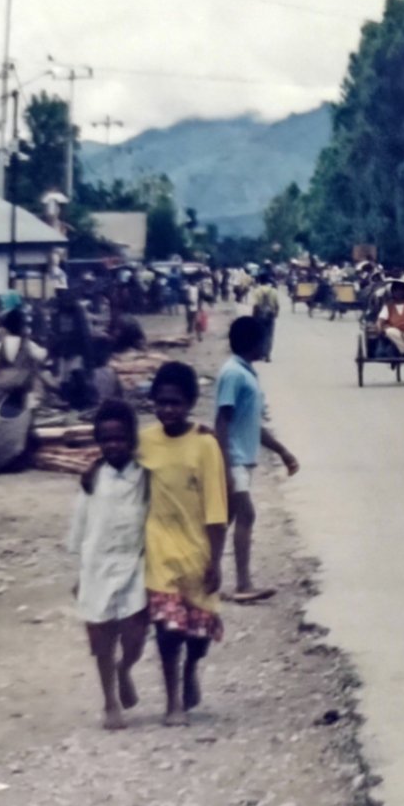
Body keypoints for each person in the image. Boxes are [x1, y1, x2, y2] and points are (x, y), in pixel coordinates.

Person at [138, 362, 228, 727]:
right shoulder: (145, 441)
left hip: (197, 550)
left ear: (190, 403)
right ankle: (172, 702)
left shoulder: (205, 445)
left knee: (198, 634)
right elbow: (117, 463)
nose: (168, 409)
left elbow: (217, 508)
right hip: (159, 549)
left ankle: (192, 668)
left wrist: (217, 561)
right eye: (161, 402)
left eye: (175, 402)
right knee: (168, 630)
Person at [67, 400, 150, 730]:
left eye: (120, 438)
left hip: (135, 563)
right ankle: (110, 702)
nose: (113, 445)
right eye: (106, 439)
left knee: (135, 634)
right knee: (102, 638)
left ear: (131, 438)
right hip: (97, 566)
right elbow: (81, 527)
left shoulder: (144, 475)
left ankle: (125, 667)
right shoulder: (92, 480)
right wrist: (79, 576)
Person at [214, 318, 300, 605]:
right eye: (263, 339)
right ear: (253, 342)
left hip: (242, 460)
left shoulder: (245, 373)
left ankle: (208, 578)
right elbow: (222, 421)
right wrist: (224, 465)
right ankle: (243, 583)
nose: (267, 344)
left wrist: (282, 452)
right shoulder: (233, 374)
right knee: (246, 515)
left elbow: (252, 424)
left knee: (223, 521)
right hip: (234, 459)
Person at [250, 273, 280, 362]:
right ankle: (267, 355)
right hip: (270, 315)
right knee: (269, 335)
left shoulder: (256, 291)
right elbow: (277, 305)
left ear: (259, 281)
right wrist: (276, 314)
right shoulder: (273, 291)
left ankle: (260, 354)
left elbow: (255, 305)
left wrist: (253, 316)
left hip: (259, 315)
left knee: (259, 335)